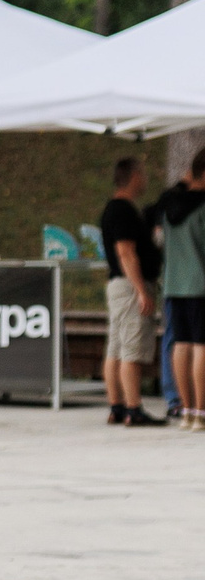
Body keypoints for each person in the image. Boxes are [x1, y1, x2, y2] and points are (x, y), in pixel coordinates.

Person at [99, 156, 163, 426]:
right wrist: (141, 290)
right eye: (143, 174)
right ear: (134, 176)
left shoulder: (113, 209)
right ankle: (133, 408)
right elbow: (126, 252)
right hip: (129, 286)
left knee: (115, 348)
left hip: (118, 285)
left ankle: (117, 405)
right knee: (131, 349)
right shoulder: (122, 211)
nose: (145, 180)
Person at [159, 148, 205, 431]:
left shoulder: (169, 206)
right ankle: (202, 410)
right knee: (202, 346)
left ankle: (186, 409)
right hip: (200, 285)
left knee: (181, 344)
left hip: (173, 284)